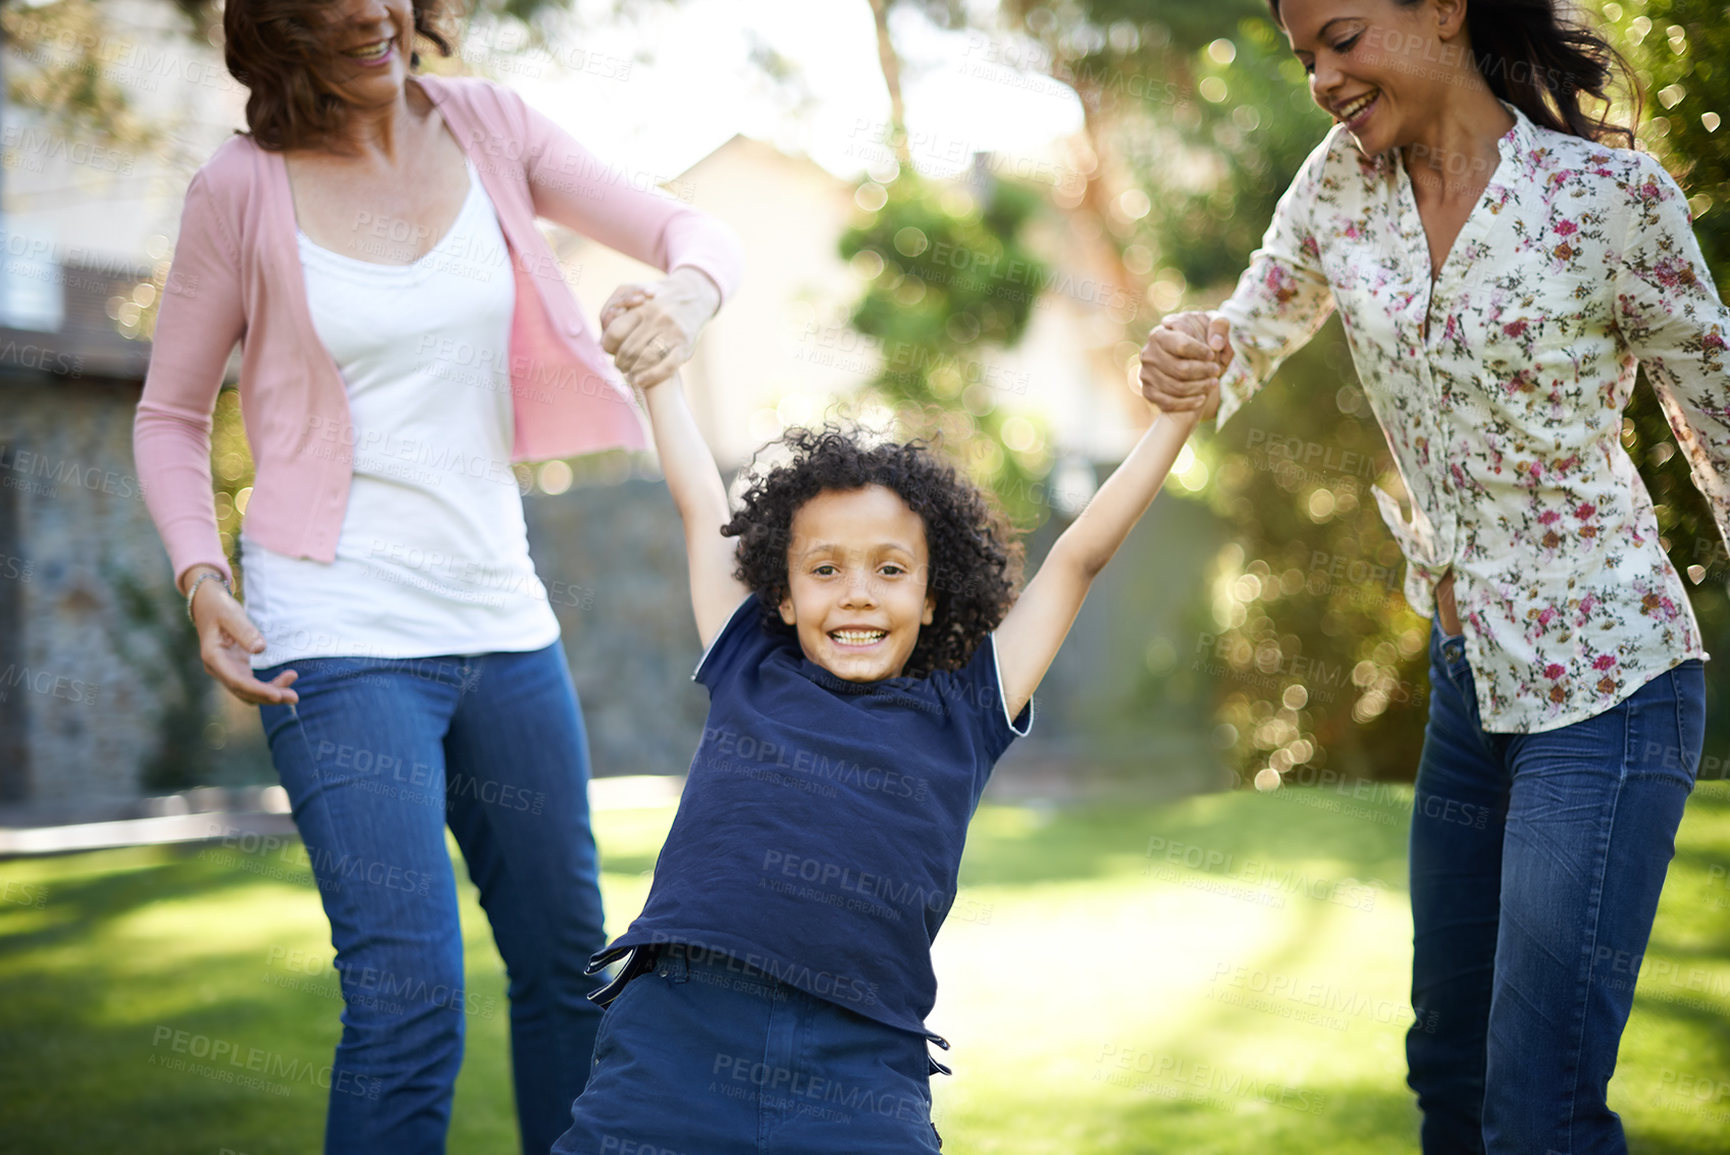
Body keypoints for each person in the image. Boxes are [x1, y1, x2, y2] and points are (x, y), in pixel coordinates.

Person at [131, 2, 742, 1151]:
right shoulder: (241, 187)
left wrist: (685, 302)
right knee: (408, 1000)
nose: (371, 9)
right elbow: (169, 412)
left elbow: (693, 232)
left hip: (501, 620)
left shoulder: (491, 126)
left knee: (572, 967)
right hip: (335, 625)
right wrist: (202, 576)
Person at [1139, 1, 1729, 1151]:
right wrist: (1182, 347)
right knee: (1447, 1072)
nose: (1320, 76)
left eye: (1341, 38)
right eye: (1302, 54)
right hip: (1466, 683)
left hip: (1607, 685)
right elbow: (1238, 340)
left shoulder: (1606, 200)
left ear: (1444, 13)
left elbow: (1718, 415)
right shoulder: (1338, 187)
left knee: (1536, 1106)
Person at [544, 290, 1202, 1153]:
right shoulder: (751, 659)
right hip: (679, 1033)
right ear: (782, 591)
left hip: (859, 1064)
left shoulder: (967, 705)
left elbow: (1079, 555)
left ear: (931, 597)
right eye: (825, 568)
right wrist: (660, 378)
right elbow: (702, 505)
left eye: (890, 569)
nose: (857, 591)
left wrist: (1175, 419)